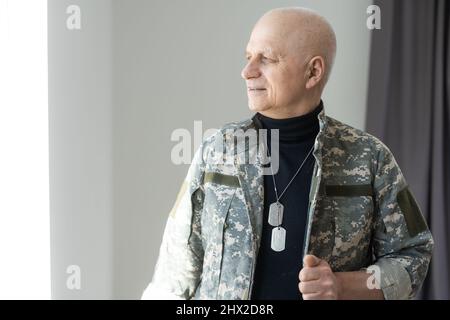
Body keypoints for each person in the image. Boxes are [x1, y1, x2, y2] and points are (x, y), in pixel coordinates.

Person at [142, 7, 433, 300]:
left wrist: (342, 286)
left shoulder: (371, 158)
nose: (247, 71)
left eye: (266, 59)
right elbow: (175, 267)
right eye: (248, 57)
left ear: (313, 72)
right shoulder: (217, 150)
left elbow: (414, 254)